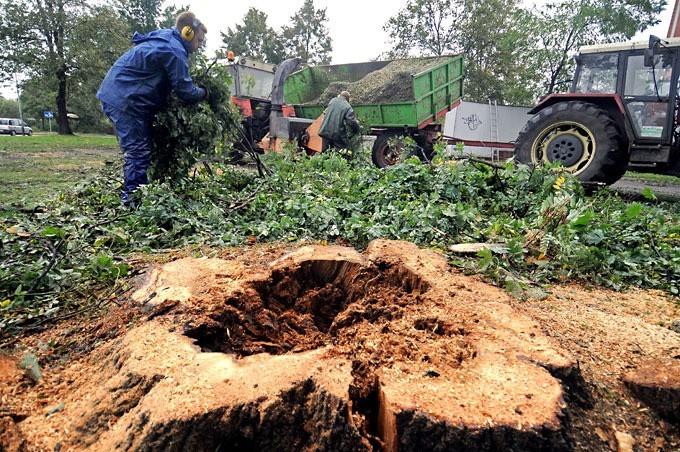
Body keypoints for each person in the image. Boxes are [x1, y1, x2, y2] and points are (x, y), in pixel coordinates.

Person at [97, 11, 208, 206]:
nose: (199, 47)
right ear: (187, 33)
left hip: (122, 96)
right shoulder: (174, 50)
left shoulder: (165, 40)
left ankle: (137, 196)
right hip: (126, 100)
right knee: (139, 152)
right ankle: (133, 205)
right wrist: (205, 93)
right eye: (199, 41)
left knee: (141, 150)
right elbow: (185, 90)